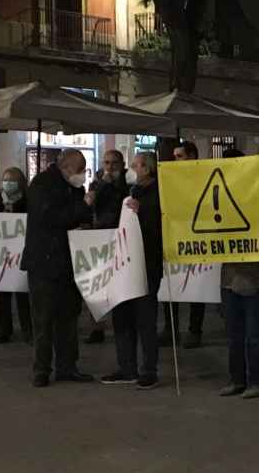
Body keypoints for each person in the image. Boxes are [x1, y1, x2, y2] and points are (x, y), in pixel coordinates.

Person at [22, 149, 94, 387]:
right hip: (44, 262)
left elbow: (77, 217)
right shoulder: (42, 185)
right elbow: (53, 218)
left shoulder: (73, 187)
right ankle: (41, 369)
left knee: (68, 317)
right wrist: (83, 207)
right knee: (43, 319)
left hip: (68, 261)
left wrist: (82, 210)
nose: (83, 176)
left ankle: (67, 366)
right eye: (81, 170)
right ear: (67, 168)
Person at [103, 152, 163, 389]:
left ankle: (149, 370)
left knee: (145, 319)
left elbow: (160, 228)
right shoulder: (131, 191)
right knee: (122, 317)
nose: (132, 169)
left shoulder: (159, 195)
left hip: (147, 265)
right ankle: (126, 367)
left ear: (147, 169)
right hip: (124, 263)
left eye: (136, 165)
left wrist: (143, 212)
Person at [217, 149, 259, 399]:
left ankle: (256, 381)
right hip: (229, 279)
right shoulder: (218, 201)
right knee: (233, 336)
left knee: (253, 336)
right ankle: (237, 379)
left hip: (255, 279)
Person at [162, 140, 205, 347]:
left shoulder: (203, 177)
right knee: (172, 284)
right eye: (174, 156)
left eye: (179, 156)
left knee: (197, 287)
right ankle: (171, 329)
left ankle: (194, 330)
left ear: (192, 156)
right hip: (175, 236)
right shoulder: (171, 178)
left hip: (196, 239)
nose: (175, 160)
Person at [85, 149, 129, 344]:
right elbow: (92, 204)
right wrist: (103, 184)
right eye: (106, 163)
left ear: (121, 164)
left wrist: (116, 184)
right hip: (100, 236)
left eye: (114, 163)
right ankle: (97, 327)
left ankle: (124, 325)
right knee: (98, 286)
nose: (110, 167)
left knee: (121, 284)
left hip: (121, 237)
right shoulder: (97, 182)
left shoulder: (128, 182)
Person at [0, 167, 32, 346]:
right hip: (2, 253)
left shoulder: (29, 201)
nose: (8, 184)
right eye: (6, 180)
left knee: (23, 294)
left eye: (12, 180)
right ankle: (2, 331)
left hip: (21, 253)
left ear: (21, 183)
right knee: (2, 295)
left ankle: (29, 331)